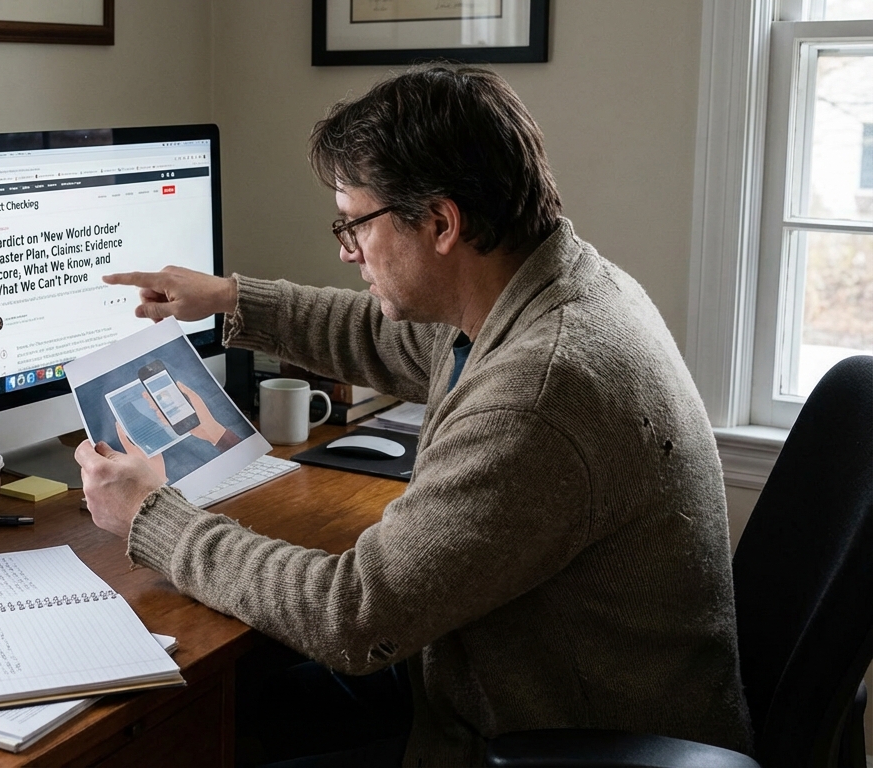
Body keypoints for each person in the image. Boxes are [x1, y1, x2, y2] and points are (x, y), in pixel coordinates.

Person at [73, 66, 752, 765]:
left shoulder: (537, 394)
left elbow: (351, 615)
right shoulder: (554, 286)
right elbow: (387, 334)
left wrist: (153, 518)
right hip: (494, 679)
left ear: (440, 222)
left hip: (544, 739)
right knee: (236, 707)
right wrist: (227, 298)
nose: (346, 249)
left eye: (354, 223)